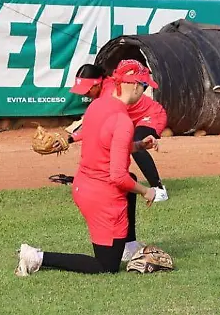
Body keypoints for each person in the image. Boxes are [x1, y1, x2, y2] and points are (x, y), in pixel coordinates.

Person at [15, 60, 164, 276]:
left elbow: (107, 142)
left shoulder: (97, 106)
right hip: (103, 199)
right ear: (133, 85)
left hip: (85, 188)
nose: (144, 91)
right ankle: (36, 257)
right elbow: (118, 177)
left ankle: (128, 245)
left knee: (129, 179)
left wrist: (139, 145)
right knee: (106, 267)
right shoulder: (123, 120)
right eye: (144, 86)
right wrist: (147, 191)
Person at [69, 63, 169, 202]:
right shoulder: (102, 95)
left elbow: (95, 123)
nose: (85, 94)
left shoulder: (110, 93)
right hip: (129, 120)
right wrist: (70, 138)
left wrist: (70, 139)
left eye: (87, 90)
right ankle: (109, 182)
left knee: (136, 140)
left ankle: (159, 189)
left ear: (98, 84)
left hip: (151, 115)